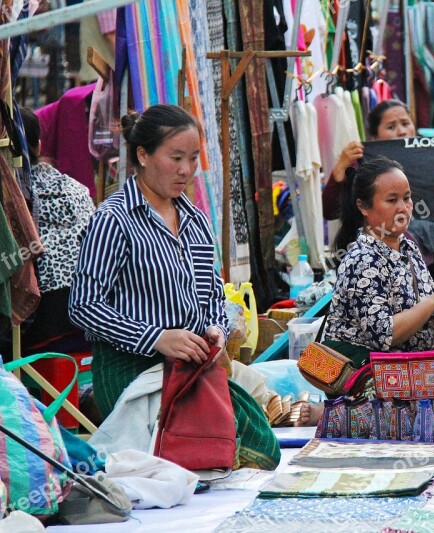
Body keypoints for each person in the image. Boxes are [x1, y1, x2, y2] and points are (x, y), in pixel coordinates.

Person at [69, 104, 280, 469]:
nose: (186, 170)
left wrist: (215, 327)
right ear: (143, 155)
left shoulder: (196, 221)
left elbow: (212, 294)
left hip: (192, 364)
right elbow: (84, 306)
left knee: (262, 445)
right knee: (215, 444)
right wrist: (157, 338)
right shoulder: (113, 220)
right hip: (131, 368)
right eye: (176, 157)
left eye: (194, 158)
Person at [322, 99, 434, 288]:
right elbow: (331, 211)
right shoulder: (364, 169)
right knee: (405, 237)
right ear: (373, 137)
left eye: (406, 123)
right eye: (391, 127)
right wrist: (340, 168)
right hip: (393, 244)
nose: (401, 131)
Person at [320, 157, 434, 367]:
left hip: (412, 371)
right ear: (364, 207)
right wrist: (433, 301)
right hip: (368, 378)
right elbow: (385, 335)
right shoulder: (363, 259)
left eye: (407, 198)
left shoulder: (408, 247)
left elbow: (431, 321)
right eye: (392, 200)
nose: (403, 208)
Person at [1, 107, 95, 355]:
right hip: (89, 315)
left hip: (42, 324)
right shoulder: (78, 189)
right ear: (39, 146)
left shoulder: (11, 196)